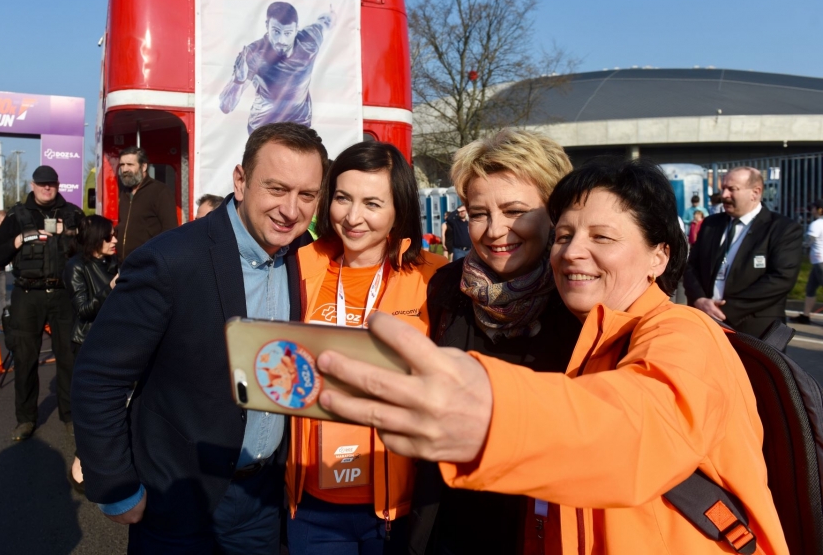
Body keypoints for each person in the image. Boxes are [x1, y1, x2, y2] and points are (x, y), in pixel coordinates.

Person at [313, 159, 788, 554]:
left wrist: (493, 412)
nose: (573, 252)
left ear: (658, 257)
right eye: (564, 236)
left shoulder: (684, 332)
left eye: (602, 237)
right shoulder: (592, 338)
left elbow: (636, 430)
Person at [71, 122, 328, 553]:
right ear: (241, 181)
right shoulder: (170, 260)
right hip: (178, 500)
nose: (290, 209)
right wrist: (115, 485)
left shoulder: (304, 258)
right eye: (277, 189)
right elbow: (99, 376)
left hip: (263, 501)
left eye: (307, 195)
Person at [409, 129, 582, 554]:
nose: (495, 230)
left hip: (544, 529)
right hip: (451, 524)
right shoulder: (445, 289)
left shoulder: (580, 301)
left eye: (515, 211)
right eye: (479, 213)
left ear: (554, 212)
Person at [286, 142, 447, 554]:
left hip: (398, 505)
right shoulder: (299, 266)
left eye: (372, 203)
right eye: (343, 198)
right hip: (313, 503)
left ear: (399, 210)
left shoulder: (435, 278)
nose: (353, 217)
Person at [0, 165, 84, 442]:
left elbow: (89, 250)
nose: (47, 188)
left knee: (69, 358)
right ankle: (26, 419)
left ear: (58, 185)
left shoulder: (73, 214)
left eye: (51, 183)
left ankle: (70, 416)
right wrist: (18, 240)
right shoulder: (17, 216)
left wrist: (71, 233)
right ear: (33, 186)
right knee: (25, 358)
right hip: (27, 294)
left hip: (64, 294)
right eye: (42, 184)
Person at [684, 166, 802, 337]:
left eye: (732, 189)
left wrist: (725, 310)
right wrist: (699, 300)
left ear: (755, 192)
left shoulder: (782, 229)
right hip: (706, 324)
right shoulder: (711, 224)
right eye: (723, 188)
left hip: (754, 331)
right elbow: (691, 267)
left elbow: (781, 278)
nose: (724, 195)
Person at [63, 215, 119, 493]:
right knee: (93, 408)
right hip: (88, 343)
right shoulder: (75, 266)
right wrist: (110, 289)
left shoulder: (114, 263)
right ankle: (80, 465)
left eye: (115, 235)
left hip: (116, 341)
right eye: (109, 236)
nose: (115, 240)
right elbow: (83, 310)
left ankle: (110, 463)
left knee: (117, 406)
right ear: (96, 238)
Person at [219, 1, 335, 133]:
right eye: (276, 31)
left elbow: (324, 22)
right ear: (267, 26)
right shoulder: (254, 54)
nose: (281, 40)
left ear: (296, 29)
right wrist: (238, 80)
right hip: (263, 128)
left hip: (299, 126)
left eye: (288, 33)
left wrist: (333, 14)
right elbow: (226, 107)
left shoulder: (310, 41)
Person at [117, 146, 179, 262]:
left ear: (144, 166)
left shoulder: (160, 191)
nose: (124, 169)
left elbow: (170, 231)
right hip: (124, 264)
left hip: (147, 263)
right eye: (122, 165)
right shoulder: (124, 193)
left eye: (130, 164)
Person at [795, 198, 823, 325]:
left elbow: (809, 241)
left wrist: (799, 245)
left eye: (813, 208)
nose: (811, 210)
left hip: (820, 261)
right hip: (817, 261)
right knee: (810, 289)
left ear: (819, 210)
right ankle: (805, 316)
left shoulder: (816, 224)